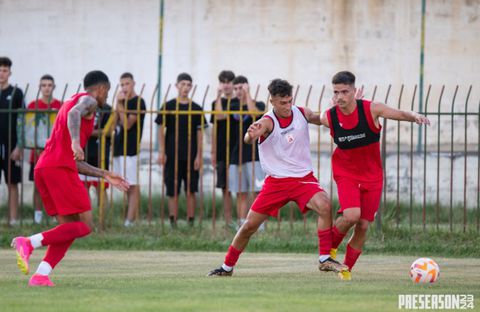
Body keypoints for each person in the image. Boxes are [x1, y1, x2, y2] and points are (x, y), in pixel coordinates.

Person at [208, 79, 348, 276]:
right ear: (272, 101)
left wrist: (338, 109)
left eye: (289, 101)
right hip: (276, 183)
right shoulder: (267, 121)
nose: (287, 106)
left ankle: (324, 258)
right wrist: (250, 135)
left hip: (302, 179)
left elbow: (323, 120)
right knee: (248, 227)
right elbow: (250, 138)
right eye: (282, 103)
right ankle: (226, 267)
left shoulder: (302, 113)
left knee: (325, 204)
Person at [11, 70, 129, 287]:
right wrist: (76, 141)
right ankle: (27, 242)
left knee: (68, 230)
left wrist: (105, 174)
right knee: (85, 226)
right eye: (107, 92)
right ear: (101, 89)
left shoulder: (69, 103)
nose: (106, 97)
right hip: (59, 170)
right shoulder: (89, 101)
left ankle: (41, 275)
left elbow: (75, 161)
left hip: (46, 168)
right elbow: (76, 115)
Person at [320, 71, 430, 280]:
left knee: (362, 225)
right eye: (336, 92)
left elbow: (397, 113)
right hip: (345, 173)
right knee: (351, 216)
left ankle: (346, 270)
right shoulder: (330, 115)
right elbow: (313, 118)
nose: (340, 96)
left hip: (372, 175)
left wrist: (414, 116)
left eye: (345, 91)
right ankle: (327, 253)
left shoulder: (371, 109)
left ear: (354, 91)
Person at [156, 73, 207, 227]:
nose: (185, 87)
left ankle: (191, 221)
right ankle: (173, 221)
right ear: (177, 85)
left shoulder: (196, 108)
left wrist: (199, 155)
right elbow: (160, 129)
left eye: (188, 84)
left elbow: (200, 133)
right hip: (172, 154)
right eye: (183, 84)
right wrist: (161, 151)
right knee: (173, 188)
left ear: (191, 87)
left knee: (191, 189)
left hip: (191, 155)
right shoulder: (168, 106)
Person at [228, 75, 265, 228]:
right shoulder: (232, 106)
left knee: (258, 191)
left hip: (254, 155)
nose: (238, 91)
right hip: (237, 155)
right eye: (235, 88)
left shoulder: (259, 104)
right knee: (240, 191)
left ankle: (259, 224)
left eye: (241, 88)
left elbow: (253, 114)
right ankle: (242, 222)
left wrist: (247, 94)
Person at [26, 74, 62, 224]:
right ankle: (38, 217)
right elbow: (28, 130)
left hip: (55, 154)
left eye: (49, 85)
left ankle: (57, 216)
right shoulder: (33, 105)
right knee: (38, 186)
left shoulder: (60, 105)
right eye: (44, 85)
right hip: (37, 153)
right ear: (40, 88)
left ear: (54, 87)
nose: (46, 88)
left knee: (55, 186)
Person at [112, 72, 146, 227]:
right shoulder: (121, 103)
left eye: (127, 84)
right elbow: (113, 125)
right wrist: (118, 106)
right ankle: (130, 216)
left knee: (132, 185)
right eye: (122, 84)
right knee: (124, 184)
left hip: (131, 149)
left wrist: (119, 105)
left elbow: (127, 125)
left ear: (133, 84)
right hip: (118, 148)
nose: (125, 87)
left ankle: (130, 221)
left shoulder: (138, 102)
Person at [210, 70, 237, 227]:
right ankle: (228, 220)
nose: (226, 85)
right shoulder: (216, 103)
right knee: (224, 187)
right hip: (221, 149)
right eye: (223, 82)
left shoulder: (238, 101)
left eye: (228, 81)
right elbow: (217, 122)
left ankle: (243, 219)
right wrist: (213, 151)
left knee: (241, 187)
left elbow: (223, 116)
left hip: (237, 148)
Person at [0, 57, 24, 226]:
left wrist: (19, 146)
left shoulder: (17, 92)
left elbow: (22, 120)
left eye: (4, 70)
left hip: (11, 145)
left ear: (10, 72)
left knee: (12, 183)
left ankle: (13, 220)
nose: (1, 74)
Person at [79, 100, 114, 206]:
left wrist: (87, 131)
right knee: (83, 186)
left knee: (101, 186)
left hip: (101, 152)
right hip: (84, 150)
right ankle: (88, 216)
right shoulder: (83, 106)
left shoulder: (108, 109)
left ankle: (104, 217)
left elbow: (108, 131)